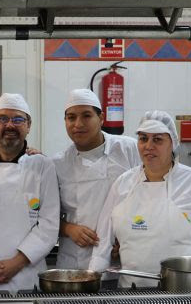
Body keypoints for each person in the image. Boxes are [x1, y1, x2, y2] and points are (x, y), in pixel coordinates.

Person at [88, 111, 191, 286]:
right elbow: (102, 242)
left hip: (182, 294)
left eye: (157, 139)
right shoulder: (123, 183)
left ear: (172, 143)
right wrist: (91, 281)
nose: (148, 146)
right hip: (131, 294)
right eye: (143, 139)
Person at [0, 93, 59, 293]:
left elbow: (49, 224)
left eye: (18, 119)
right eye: (3, 119)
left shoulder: (43, 165)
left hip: (26, 276)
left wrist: (17, 263)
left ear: (28, 125)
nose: (10, 125)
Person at [53, 88, 139, 272]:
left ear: (101, 118)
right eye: (71, 117)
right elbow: (45, 214)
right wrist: (68, 229)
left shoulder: (128, 149)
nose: (78, 124)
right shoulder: (58, 163)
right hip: (74, 262)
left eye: (86, 116)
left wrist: (127, 236)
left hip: (122, 258)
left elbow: (146, 199)